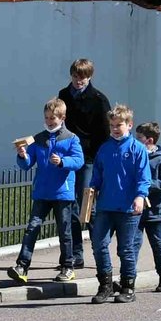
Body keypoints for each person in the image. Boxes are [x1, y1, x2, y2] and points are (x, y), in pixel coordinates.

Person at [8, 99, 84, 285]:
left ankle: (68, 267)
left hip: (62, 193)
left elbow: (79, 161)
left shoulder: (71, 139)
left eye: (54, 118)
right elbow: (27, 165)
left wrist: (63, 162)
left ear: (62, 118)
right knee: (32, 228)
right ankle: (22, 267)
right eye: (47, 118)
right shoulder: (38, 139)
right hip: (42, 192)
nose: (50, 121)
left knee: (64, 231)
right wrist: (22, 155)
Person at [87, 105, 153, 306]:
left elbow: (144, 177)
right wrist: (92, 190)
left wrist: (140, 196)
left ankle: (127, 286)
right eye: (112, 125)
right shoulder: (104, 148)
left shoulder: (138, 149)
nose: (115, 129)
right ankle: (105, 285)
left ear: (129, 125)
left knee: (126, 249)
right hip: (105, 206)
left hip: (128, 209)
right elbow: (97, 174)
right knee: (99, 244)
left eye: (119, 125)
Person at [58, 59, 110, 267]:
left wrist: (98, 159)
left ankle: (100, 250)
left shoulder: (98, 99)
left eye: (83, 77)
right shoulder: (63, 95)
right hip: (68, 157)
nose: (79, 81)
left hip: (88, 158)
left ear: (89, 77)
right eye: (75, 76)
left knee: (88, 206)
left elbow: (104, 133)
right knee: (70, 204)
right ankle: (74, 253)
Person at [137, 122, 161, 293]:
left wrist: (147, 184)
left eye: (139, 138)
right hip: (136, 208)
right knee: (131, 244)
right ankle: (128, 278)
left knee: (157, 244)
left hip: (155, 210)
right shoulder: (136, 155)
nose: (135, 141)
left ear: (149, 140)